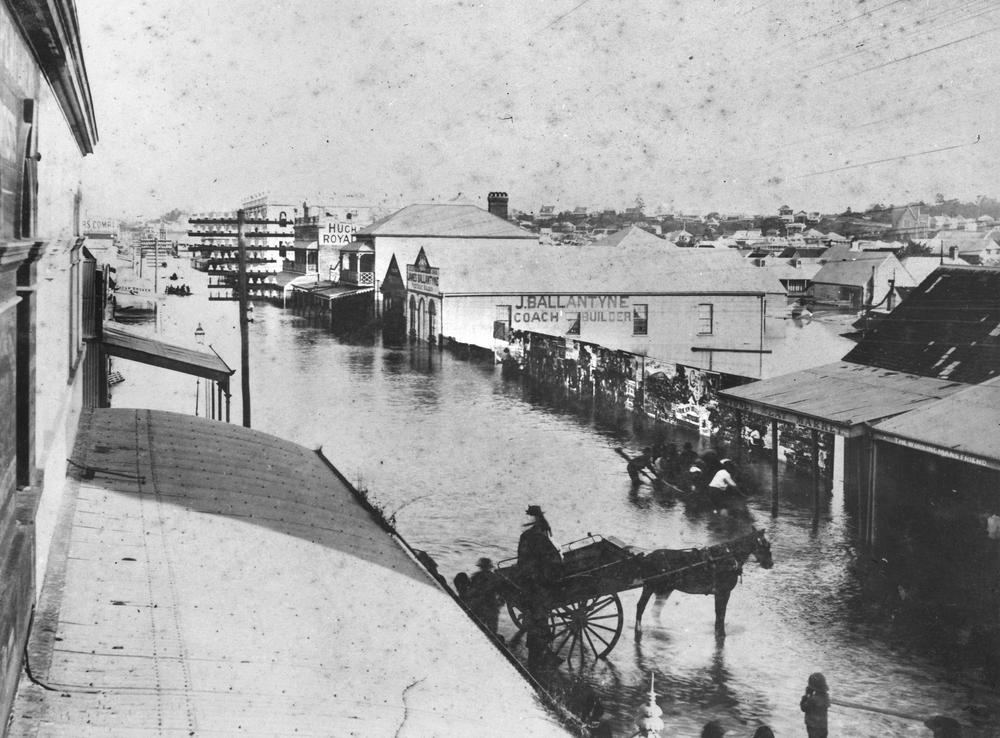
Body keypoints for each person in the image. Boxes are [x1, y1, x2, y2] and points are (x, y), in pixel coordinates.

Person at [518, 505, 562, 668]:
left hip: (531, 583)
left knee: (537, 621)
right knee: (540, 620)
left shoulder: (527, 536)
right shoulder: (543, 533)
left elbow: (521, 561)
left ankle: (537, 658)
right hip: (541, 584)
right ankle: (541, 658)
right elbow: (555, 558)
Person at [467, 557, 504, 636]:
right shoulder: (495, 577)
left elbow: (471, 592)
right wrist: (499, 603)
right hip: (491, 606)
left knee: (477, 629)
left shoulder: (475, 577)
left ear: (480, 567)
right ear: (489, 567)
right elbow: (501, 593)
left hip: (478, 606)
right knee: (493, 630)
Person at [800, 672, 830, 738]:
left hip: (813, 728)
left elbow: (803, 708)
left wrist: (806, 695)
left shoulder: (812, 699)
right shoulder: (826, 697)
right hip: (823, 727)